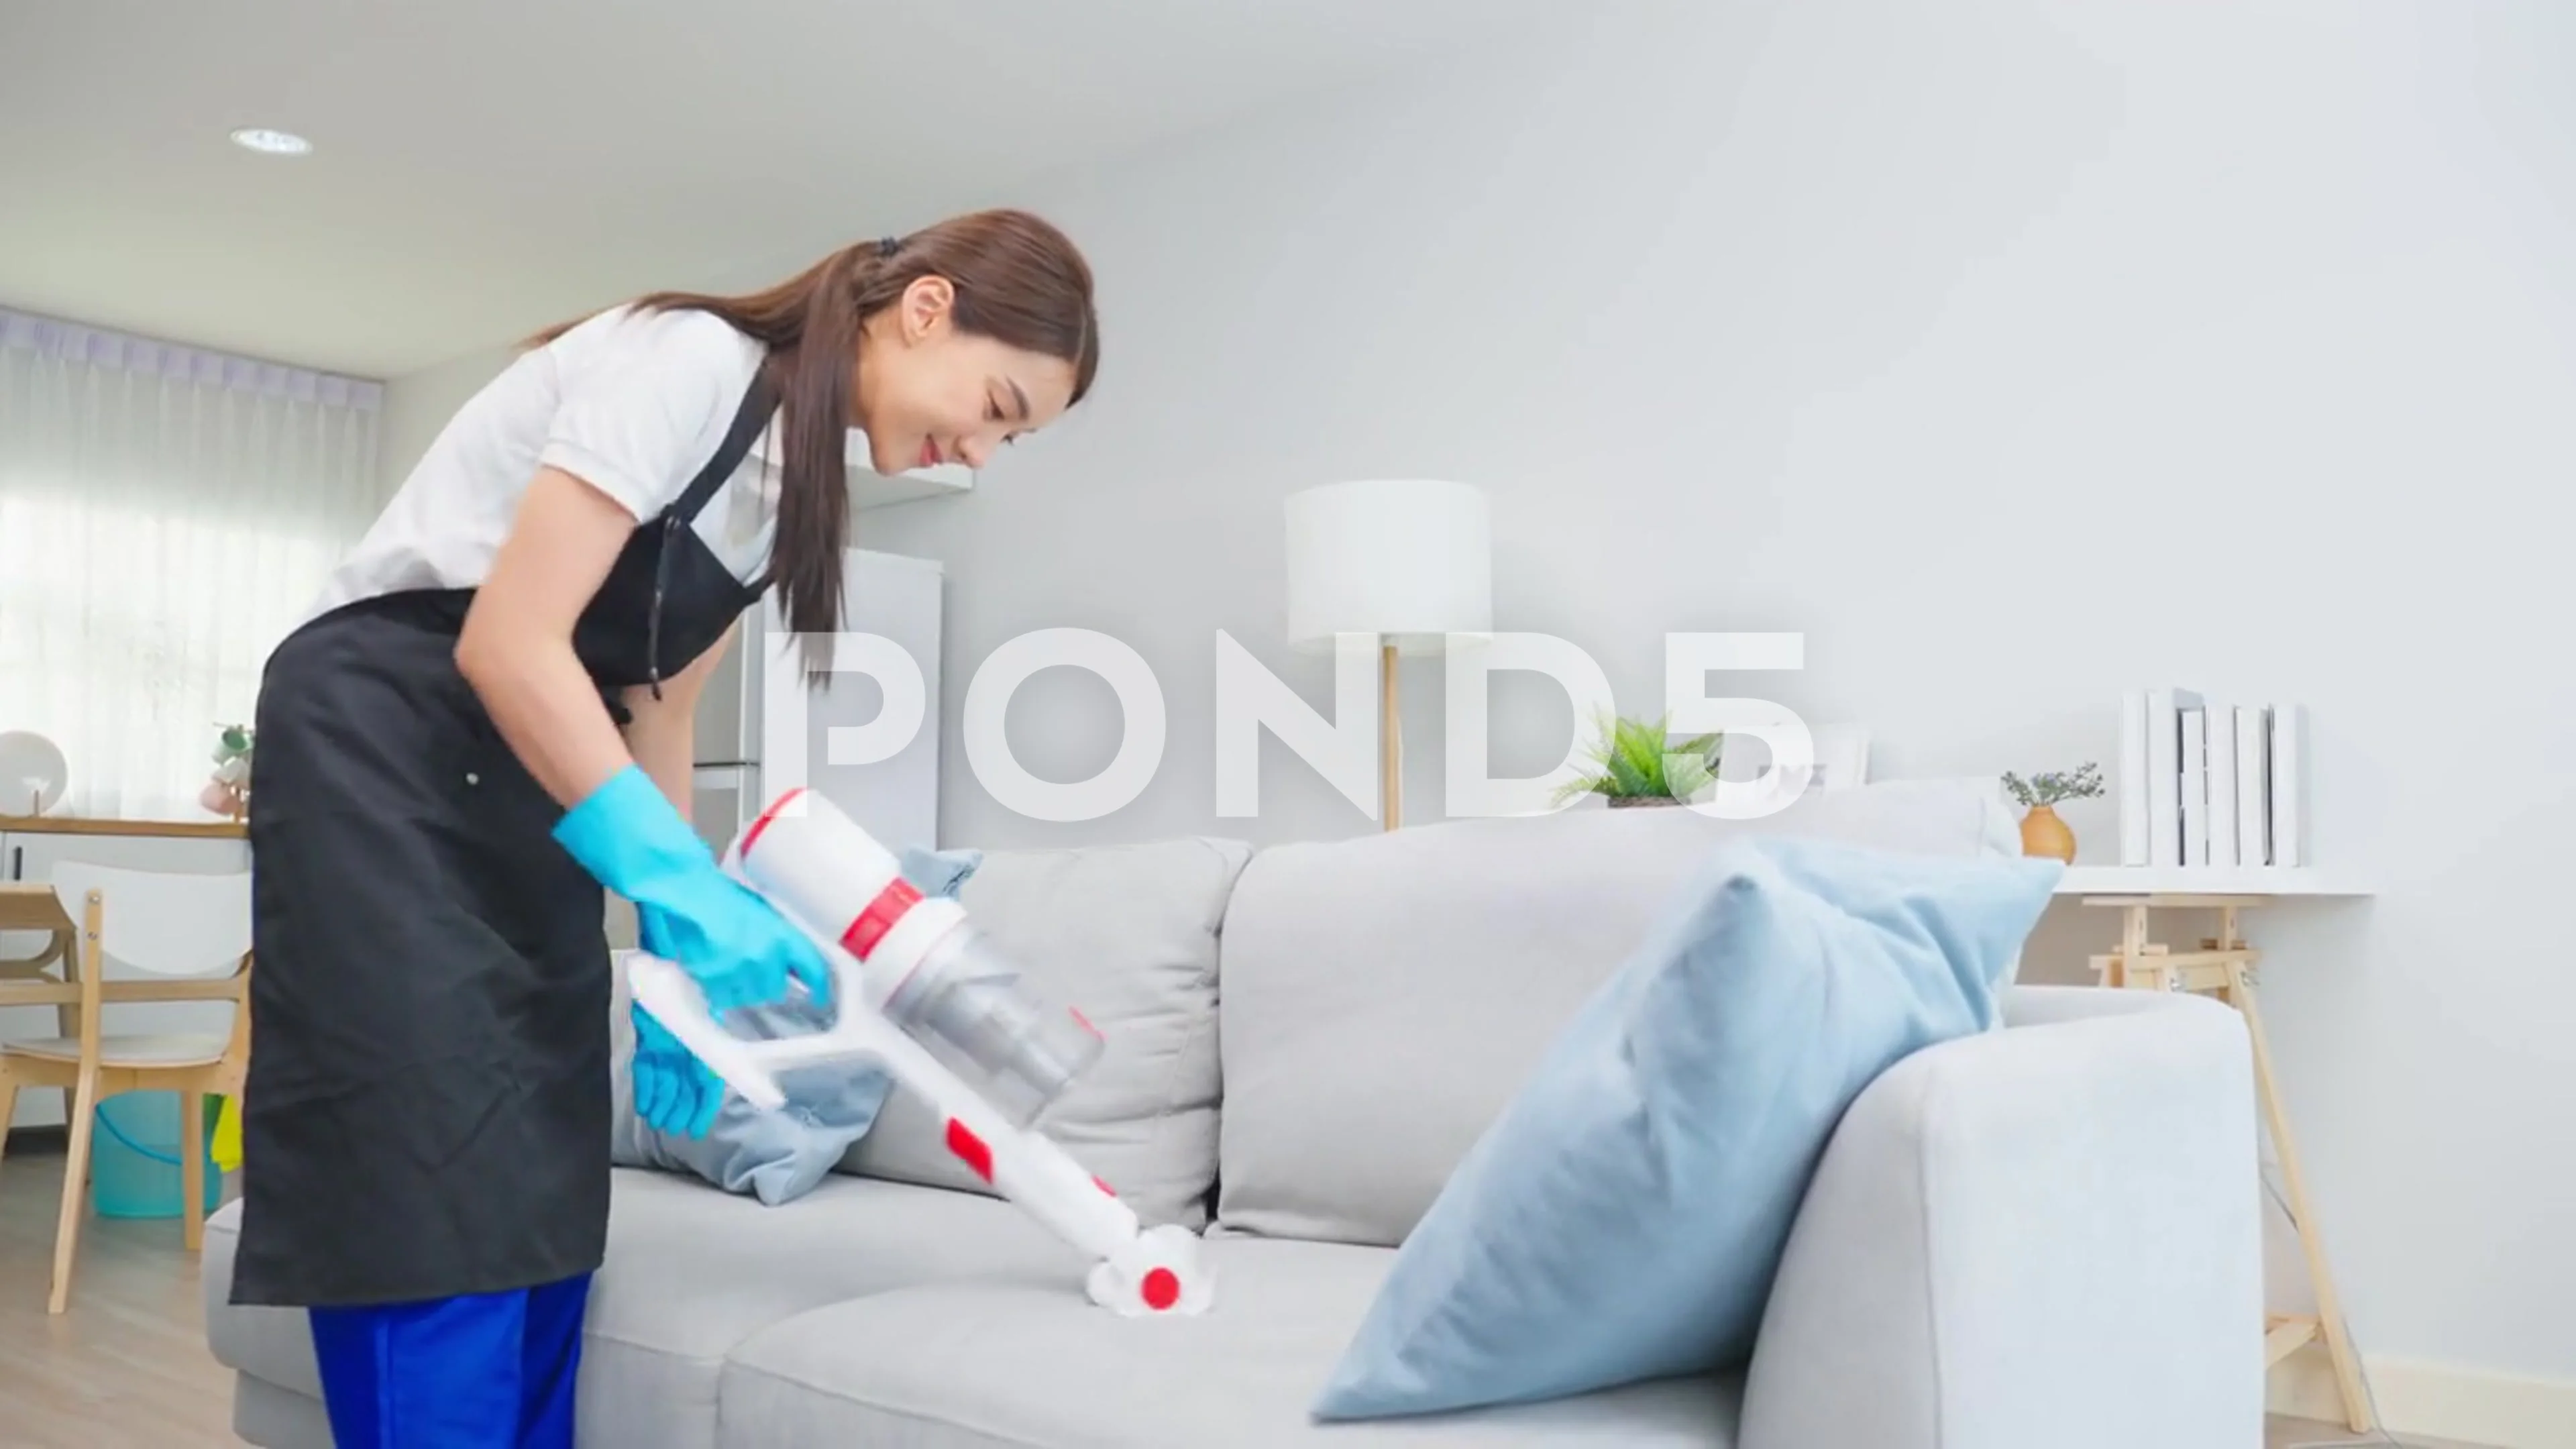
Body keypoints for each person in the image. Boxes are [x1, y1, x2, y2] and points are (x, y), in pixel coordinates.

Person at [229, 208, 1098, 1446]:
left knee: (540, 1164)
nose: (983, 446)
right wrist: (681, 883)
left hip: (539, 767)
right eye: (1000, 404)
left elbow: (657, 711)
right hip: (388, 745)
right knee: (428, 1165)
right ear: (926, 310)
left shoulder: (790, 485)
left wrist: (671, 963)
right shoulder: (687, 360)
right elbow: (509, 639)